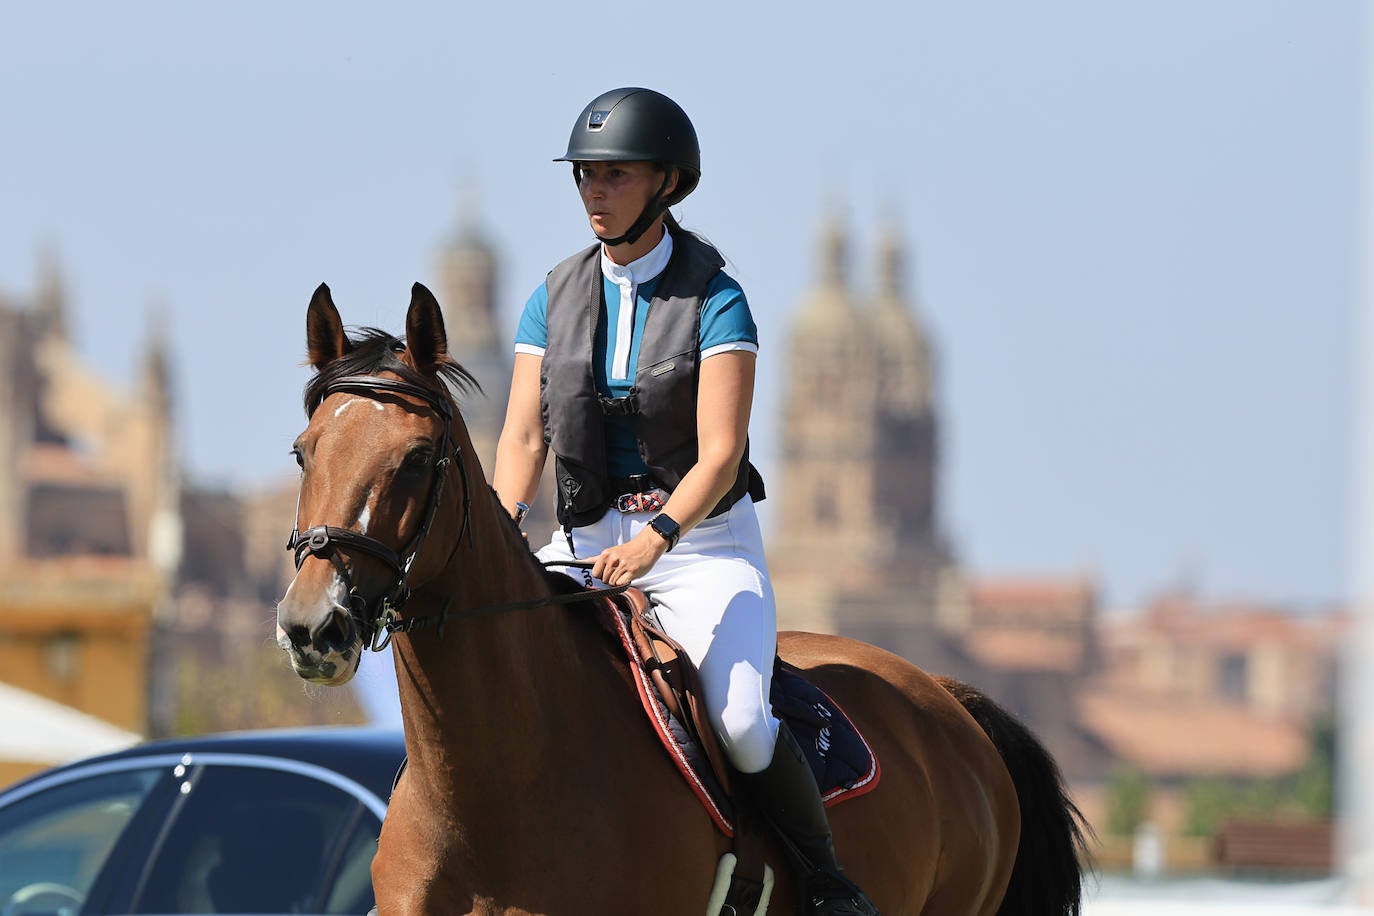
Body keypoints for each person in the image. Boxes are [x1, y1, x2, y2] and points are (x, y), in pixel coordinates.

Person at [492, 87, 879, 916]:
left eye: (615, 175)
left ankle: (824, 880)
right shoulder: (548, 297)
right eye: (585, 176)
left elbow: (721, 454)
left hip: (700, 546)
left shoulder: (716, 299)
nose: (595, 191)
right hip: (584, 537)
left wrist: (657, 538)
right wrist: (500, 533)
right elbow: (524, 438)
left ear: (666, 181)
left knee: (740, 721)